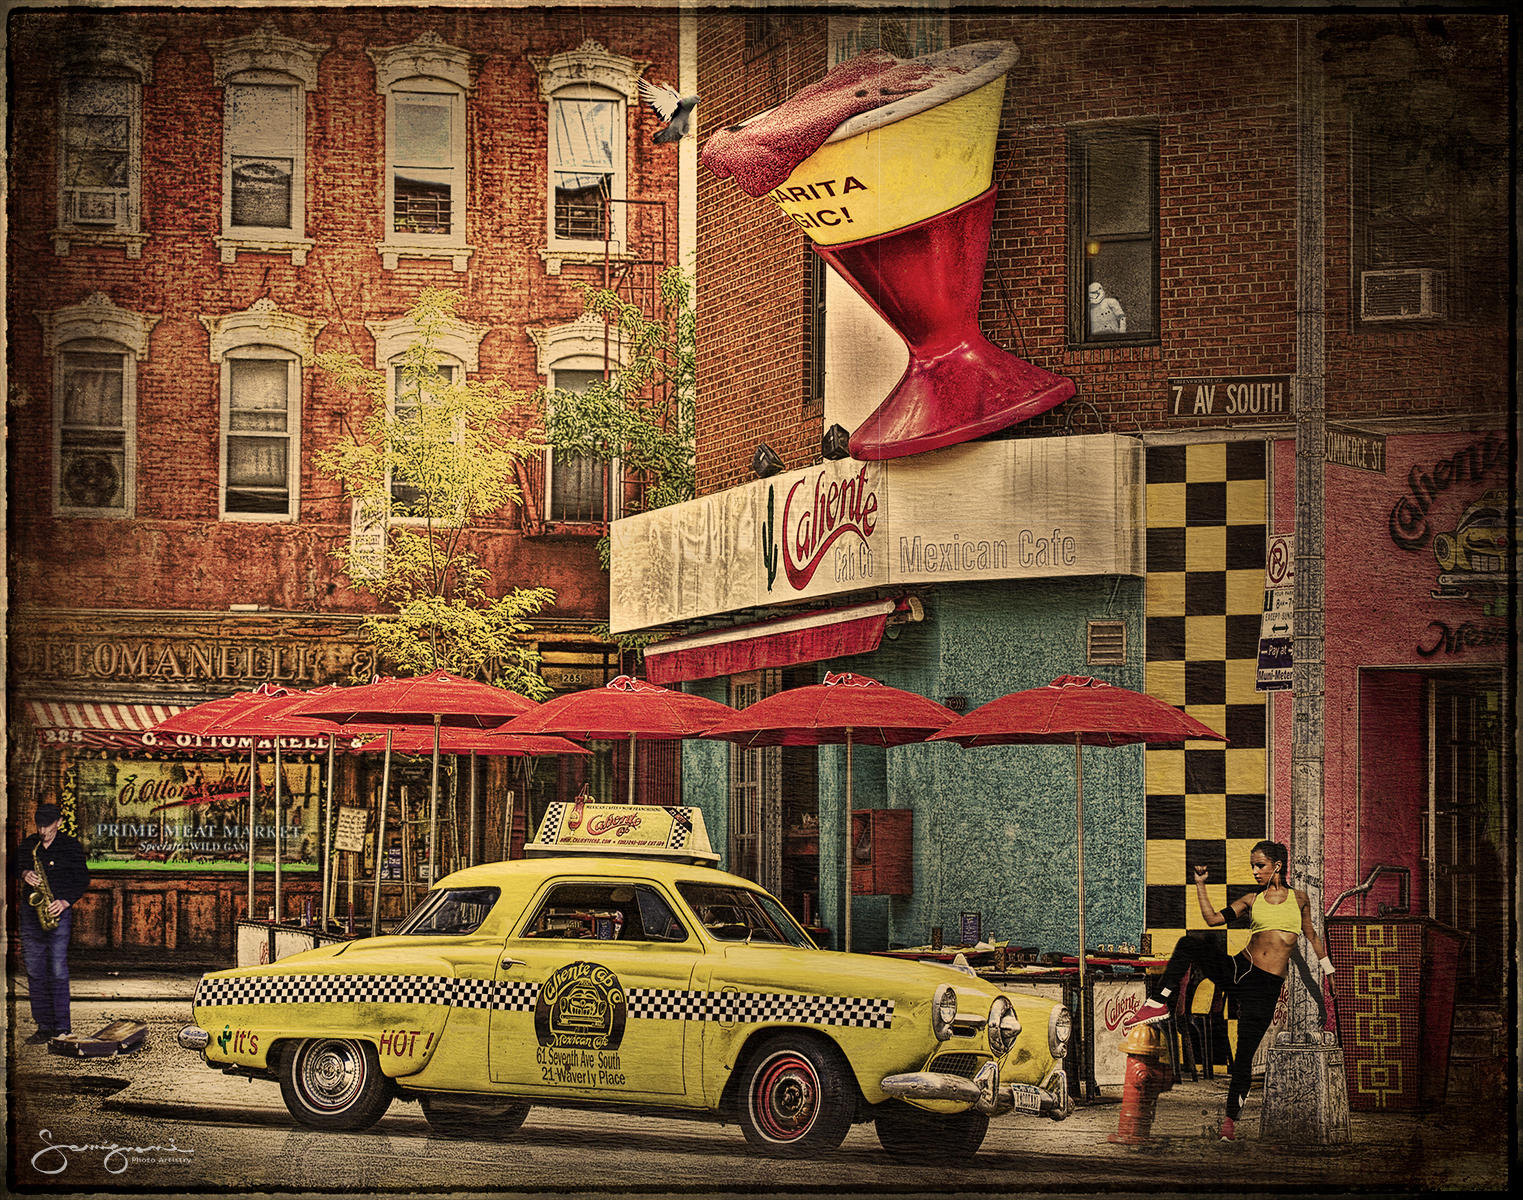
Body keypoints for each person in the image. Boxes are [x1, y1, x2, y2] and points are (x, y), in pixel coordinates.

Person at [1122, 839, 1332, 1142]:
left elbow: (1312, 937)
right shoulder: (1251, 899)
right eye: (1252, 866)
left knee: (1244, 1056)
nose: (1255, 871)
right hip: (1239, 969)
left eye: (1260, 865)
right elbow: (1213, 919)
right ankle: (1159, 1001)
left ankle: (1229, 1124)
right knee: (1189, 944)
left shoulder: (1299, 899)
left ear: (1278, 866)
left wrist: (1329, 974)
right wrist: (1200, 885)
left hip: (1266, 987)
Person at [14, 800, 92, 1043]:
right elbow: (12, 865)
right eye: (39, 825)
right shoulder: (30, 844)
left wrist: (65, 901)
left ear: (59, 822)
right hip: (31, 915)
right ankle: (44, 1027)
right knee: (35, 972)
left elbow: (82, 879)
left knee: (57, 971)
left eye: (47, 825)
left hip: (58, 913)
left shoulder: (70, 846)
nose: (42, 830)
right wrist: (25, 873)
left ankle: (63, 1028)